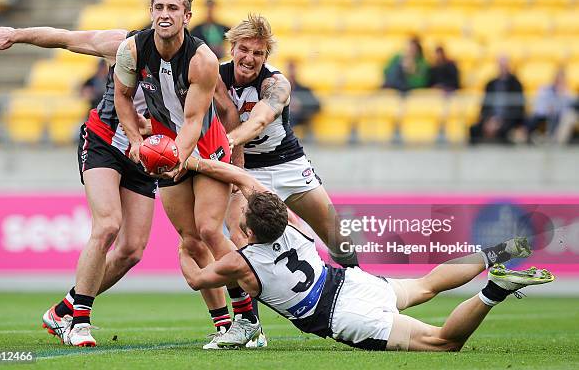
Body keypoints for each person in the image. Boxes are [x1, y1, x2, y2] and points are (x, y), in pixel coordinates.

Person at [0, 23, 238, 348]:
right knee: (107, 226)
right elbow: (65, 38)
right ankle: (79, 321)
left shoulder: (192, 60)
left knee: (132, 250)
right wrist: (16, 34)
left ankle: (64, 308)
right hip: (106, 140)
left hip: (150, 155)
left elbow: (206, 112)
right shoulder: (124, 45)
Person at [178, 156, 554, 349]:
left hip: (342, 315)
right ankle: (501, 251)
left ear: (245, 230)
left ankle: (495, 291)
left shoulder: (240, 263)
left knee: (444, 342)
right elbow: (243, 179)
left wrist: (184, 242)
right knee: (425, 286)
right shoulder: (292, 223)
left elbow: (197, 278)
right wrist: (197, 162)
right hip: (350, 281)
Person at [113, 0, 258, 349]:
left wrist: (179, 155)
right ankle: (224, 325)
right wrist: (135, 141)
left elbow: (194, 120)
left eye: (173, 8)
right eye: (159, 7)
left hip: (206, 148)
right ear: (151, 12)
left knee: (210, 230)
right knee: (190, 239)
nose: (165, 14)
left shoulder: (203, 59)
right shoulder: (131, 50)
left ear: (187, 16)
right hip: (164, 149)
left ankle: (249, 321)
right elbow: (122, 97)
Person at [217, 14, 359, 269]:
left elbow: (260, 120)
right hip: (244, 168)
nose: (249, 58)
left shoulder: (276, 84)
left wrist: (228, 140)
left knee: (339, 237)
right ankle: (248, 310)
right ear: (232, 48)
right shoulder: (214, 78)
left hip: (286, 164)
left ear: (266, 56)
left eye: (258, 53)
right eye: (244, 49)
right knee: (239, 235)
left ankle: (361, 288)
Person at [470, 55, 526, 144]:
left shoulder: (516, 84)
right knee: (473, 129)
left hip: (508, 119)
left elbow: (518, 107)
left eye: (504, 65)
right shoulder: (490, 84)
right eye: (501, 65)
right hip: (490, 119)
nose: (502, 68)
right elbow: (485, 106)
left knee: (505, 130)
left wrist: (500, 121)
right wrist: (489, 120)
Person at [527, 67, 575, 143]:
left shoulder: (567, 93)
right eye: (558, 80)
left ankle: (553, 139)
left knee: (566, 117)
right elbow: (541, 104)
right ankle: (529, 135)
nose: (559, 82)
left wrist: (562, 95)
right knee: (535, 116)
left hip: (560, 116)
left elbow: (569, 108)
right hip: (547, 114)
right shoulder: (547, 89)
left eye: (561, 80)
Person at [286, 60, 321, 128]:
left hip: (299, 122)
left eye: (293, 68)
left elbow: (317, 106)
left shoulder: (304, 89)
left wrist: (300, 106)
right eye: (290, 68)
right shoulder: (279, 89)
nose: (291, 71)